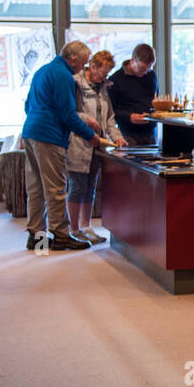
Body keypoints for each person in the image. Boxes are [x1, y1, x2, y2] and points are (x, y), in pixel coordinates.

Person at [22, 41, 98, 251]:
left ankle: (36, 238)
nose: (83, 67)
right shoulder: (64, 76)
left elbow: (28, 105)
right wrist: (90, 136)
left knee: (36, 187)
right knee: (55, 188)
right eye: (83, 63)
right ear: (73, 60)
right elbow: (68, 115)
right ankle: (60, 235)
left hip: (30, 132)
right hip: (48, 136)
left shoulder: (43, 71)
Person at [66, 50, 126, 244]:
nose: (105, 76)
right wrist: (86, 119)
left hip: (97, 145)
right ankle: (74, 230)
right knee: (77, 186)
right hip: (78, 142)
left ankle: (86, 226)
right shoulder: (75, 83)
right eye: (103, 72)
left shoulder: (103, 88)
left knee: (90, 187)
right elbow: (69, 112)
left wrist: (117, 137)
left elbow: (108, 118)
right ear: (93, 66)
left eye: (108, 73)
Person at [108, 43, 159, 146]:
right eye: (141, 68)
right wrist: (129, 117)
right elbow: (110, 112)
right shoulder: (115, 80)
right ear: (132, 61)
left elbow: (155, 100)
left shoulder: (151, 76)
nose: (145, 72)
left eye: (148, 68)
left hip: (151, 134)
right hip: (127, 134)